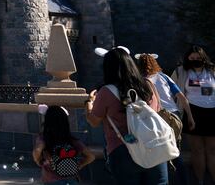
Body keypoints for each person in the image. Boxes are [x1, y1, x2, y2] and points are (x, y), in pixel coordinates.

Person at [85, 47, 168, 185]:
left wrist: (89, 103)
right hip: (154, 145)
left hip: (123, 149)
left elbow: (94, 121)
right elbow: (157, 109)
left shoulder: (106, 91)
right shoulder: (147, 85)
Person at [136, 53, 193, 185]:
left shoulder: (138, 81)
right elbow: (181, 97)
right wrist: (189, 116)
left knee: (158, 153)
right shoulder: (164, 77)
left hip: (154, 117)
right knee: (175, 152)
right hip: (172, 116)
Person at [173, 45, 215, 185]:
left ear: (203, 58)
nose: (195, 60)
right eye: (192, 58)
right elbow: (170, 90)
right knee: (196, 151)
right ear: (187, 58)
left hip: (212, 112)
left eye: (198, 58)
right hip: (192, 113)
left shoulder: (212, 71)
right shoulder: (181, 71)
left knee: (212, 150)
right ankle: (200, 181)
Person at [33, 105, 95, 185]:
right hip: (72, 180)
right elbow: (91, 156)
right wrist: (79, 165)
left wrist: (39, 161)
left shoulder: (44, 138)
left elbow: (37, 150)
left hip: (52, 181)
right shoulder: (71, 140)